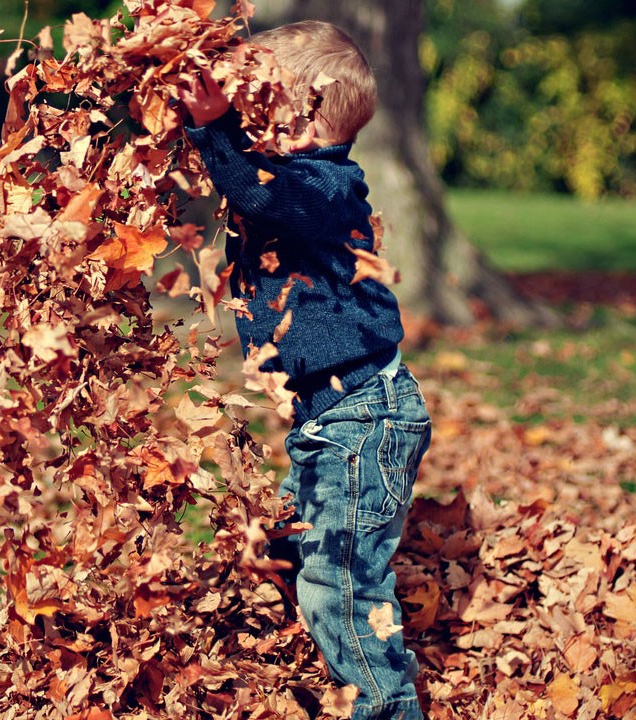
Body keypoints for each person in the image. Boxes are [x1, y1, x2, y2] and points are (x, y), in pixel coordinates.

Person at [178, 20, 432, 720]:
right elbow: (250, 183)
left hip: (363, 422)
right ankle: (314, 662)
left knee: (339, 584)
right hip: (332, 424)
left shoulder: (324, 187)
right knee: (286, 547)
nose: (246, 122)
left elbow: (260, 193)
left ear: (303, 120)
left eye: (260, 107)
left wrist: (213, 131)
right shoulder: (295, 181)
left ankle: (386, 706)